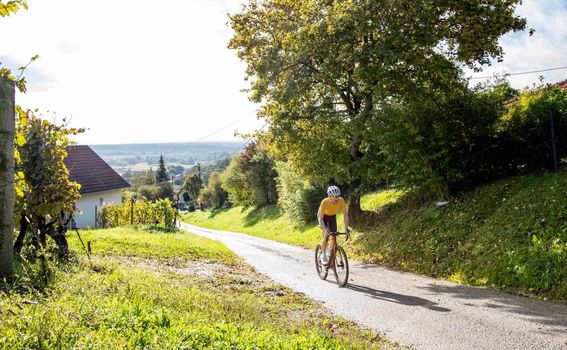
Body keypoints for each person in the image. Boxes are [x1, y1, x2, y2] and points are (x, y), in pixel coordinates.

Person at [317, 185, 350, 264]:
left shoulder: (341, 201)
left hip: (332, 216)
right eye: (334, 197)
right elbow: (320, 218)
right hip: (323, 217)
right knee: (326, 235)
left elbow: (345, 215)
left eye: (337, 197)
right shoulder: (324, 202)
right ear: (329, 196)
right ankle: (323, 254)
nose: (336, 199)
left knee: (334, 235)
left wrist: (346, 228)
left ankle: (331, 251)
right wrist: (325, 229)